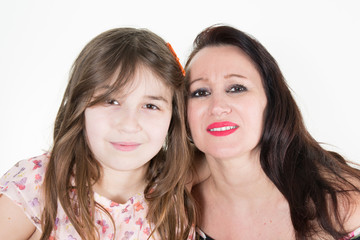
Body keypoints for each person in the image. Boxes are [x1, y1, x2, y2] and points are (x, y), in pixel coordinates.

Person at [0, 27, 196, 239]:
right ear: (80, 106)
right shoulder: (36, 184)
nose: (129, 125)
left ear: (173, 116)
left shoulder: (178, 199)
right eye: (111, 101)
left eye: (150, 106)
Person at [184, 24, 360, 240]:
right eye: (200, 92)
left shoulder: (344, 205)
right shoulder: (173, 206)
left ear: (272, 102)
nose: (218, 106)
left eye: (237, 88)